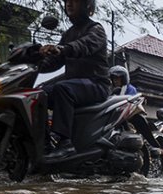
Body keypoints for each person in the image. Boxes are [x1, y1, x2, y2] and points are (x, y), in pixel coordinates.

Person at [38, 0, 111, 156]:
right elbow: (53, 62)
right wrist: (34, 60)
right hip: (76, 86)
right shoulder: (68, 34)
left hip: (96, 84)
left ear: (88, 7)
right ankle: (43, 142)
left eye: (75, 1)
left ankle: (65, 143)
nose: (69, 4)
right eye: (67, 1)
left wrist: (62, 49)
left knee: (62, 88)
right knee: (38, 94)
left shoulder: (96, 30)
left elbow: (83, 46)